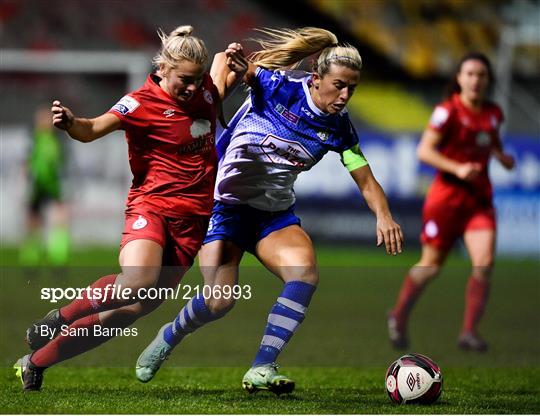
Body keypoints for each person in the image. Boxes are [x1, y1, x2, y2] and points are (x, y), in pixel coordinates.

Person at [135, 27, 403, 395]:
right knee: (219, 301)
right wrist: (237, 63)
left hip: (272, 216)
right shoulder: (279, 87)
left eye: (352, 89)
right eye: (339, 85)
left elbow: (367, 180)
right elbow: (241, 71)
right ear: (316, 78)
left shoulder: (340, 129)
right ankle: (170, 335)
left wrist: (384, 216)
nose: (345, 96)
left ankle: (262, 366)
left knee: (305, 273)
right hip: (222, 208)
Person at [14, 25, 248, 391]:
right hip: (151, 207)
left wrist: (233, 56)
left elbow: (220, 70)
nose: (192, 87)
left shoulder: (204, 89)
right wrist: (72, 123)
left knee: (132, 310)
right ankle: (58, 318)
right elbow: (92, 129)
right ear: (164, 69)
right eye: (184, 79)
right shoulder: (140, 103)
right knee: (137, 281)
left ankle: (35, 363)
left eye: (197, 79)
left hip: (193, 222)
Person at [387, 52, 515, 352]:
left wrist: (502, 158)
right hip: (446, 200)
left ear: (488, 80)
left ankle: (469, 332)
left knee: (483, 264)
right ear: (459, 79)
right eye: (469, 74)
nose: (475, 80)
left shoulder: (494, 113)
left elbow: (491, 142)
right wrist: (457, 168)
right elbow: (424, 151)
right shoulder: (447, 111)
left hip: (479, 201)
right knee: (431, 266)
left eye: (481, 75)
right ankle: (399, 315)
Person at [19, 105, 71, 266]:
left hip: (54, 185)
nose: (43, 122)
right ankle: (31, 257)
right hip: (37, 185)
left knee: (59, 219)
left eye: (46, 118)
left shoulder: (57, 140)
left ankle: (58, 256)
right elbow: (28, 162)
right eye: (40, 118)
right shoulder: (35, 139)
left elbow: (63, 164)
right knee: (34, 221)